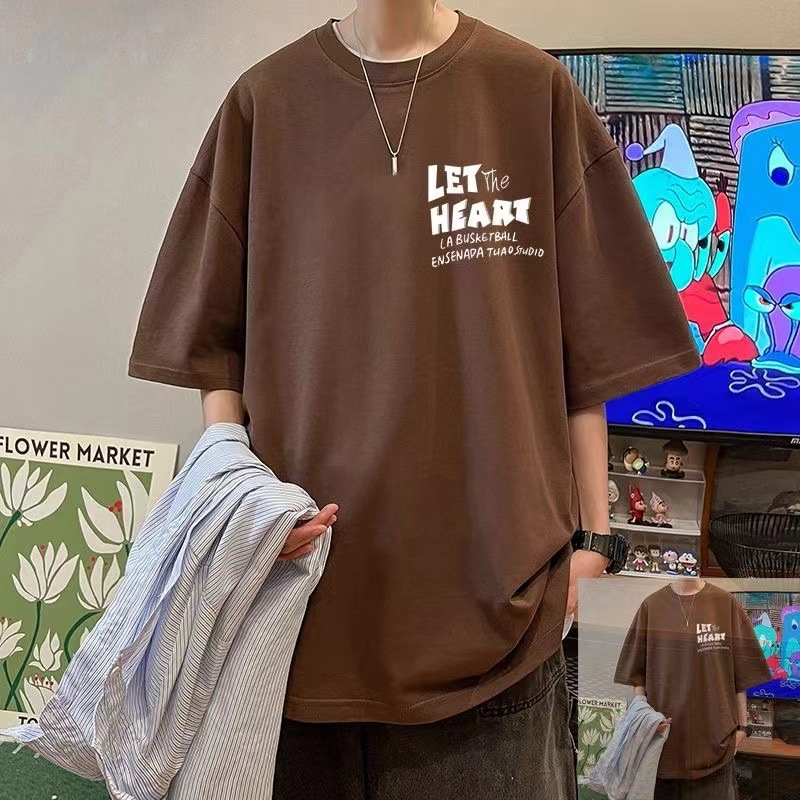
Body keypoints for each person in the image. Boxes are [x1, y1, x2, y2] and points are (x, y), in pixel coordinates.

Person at [127, 2, 700, 797]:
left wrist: (594, 536)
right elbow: (212, 346)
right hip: (299, 604)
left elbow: (589, 348)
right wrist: (243, 501)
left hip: (496, 617)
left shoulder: (530, 91)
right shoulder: (266, 103)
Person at [615, 579, 771, 800]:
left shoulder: (725, 603)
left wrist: (743, 729)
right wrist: (645, 718)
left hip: (716, 747)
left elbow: (741, 674)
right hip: (661, 746)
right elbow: (636, 675)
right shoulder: (652, 606)